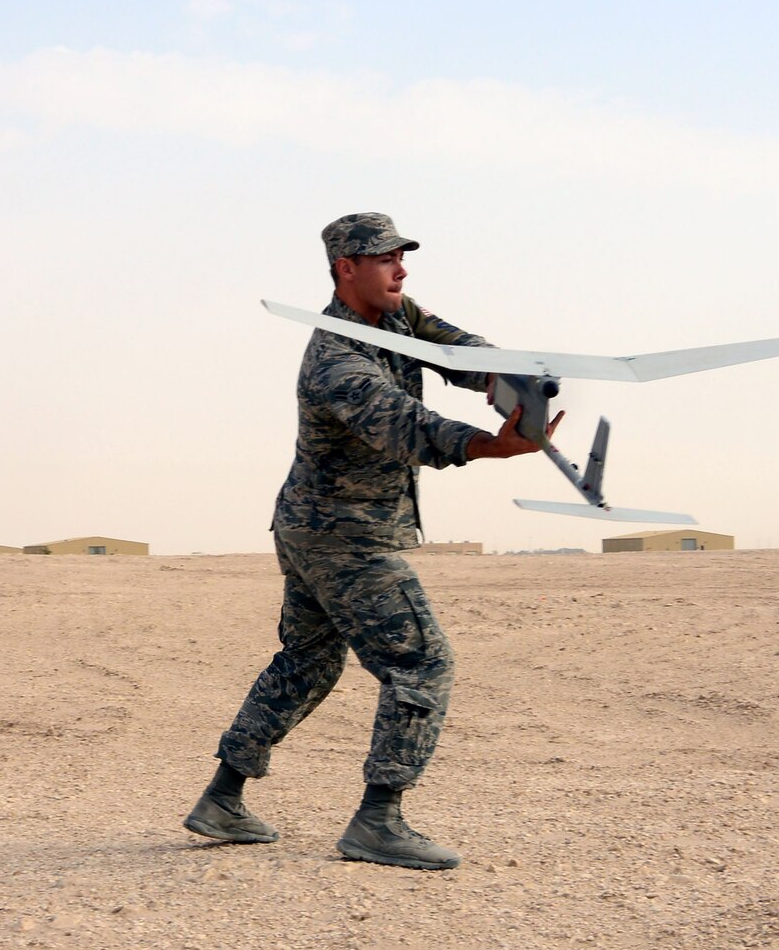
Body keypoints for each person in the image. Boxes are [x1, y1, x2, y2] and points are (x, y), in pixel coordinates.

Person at [184, 212, 558, 870]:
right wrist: (494, 445)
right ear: (344, 269)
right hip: (344, 536)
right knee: (421, 664)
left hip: (313, 525)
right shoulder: (336, 358)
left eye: (401, 257)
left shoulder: (399, 315)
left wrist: (512, 382)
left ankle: (222, 799)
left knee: (308, 663)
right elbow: (406, 425)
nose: (401, 269)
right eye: (384, 259)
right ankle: (379, 820)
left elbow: (456, 353)